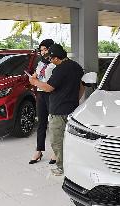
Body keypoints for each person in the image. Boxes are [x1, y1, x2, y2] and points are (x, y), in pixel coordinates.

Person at [29, 44, 84, 176]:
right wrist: (76, 100)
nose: (50, 60)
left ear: (56, 58)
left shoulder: (59, 69)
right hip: (72, 109)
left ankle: (61, 167)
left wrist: (34, 82)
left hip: (58, 111)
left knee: (56, 140)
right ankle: (72, 164)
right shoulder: (76, 66)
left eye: (51, 58)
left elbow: (48, 88)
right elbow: (82, 86)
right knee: (70, 140)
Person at [29, 39, 57, 164]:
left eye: (45, 49)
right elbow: (36, 76)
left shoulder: (55, 63)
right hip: (41, 94)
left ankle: (56, 151)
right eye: (41, 50)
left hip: (52, 94)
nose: (43, 52)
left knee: (54, 124)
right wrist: (33, 78)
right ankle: (39, 150)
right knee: (41, 123)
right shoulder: (40, 63)